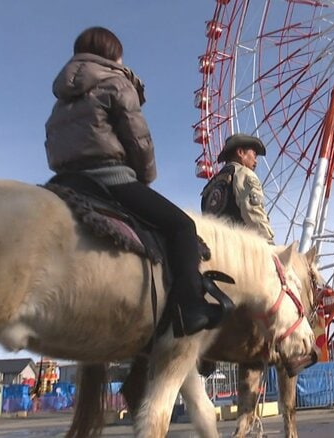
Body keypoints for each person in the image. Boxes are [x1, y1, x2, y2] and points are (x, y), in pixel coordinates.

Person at [44, 26, 223, 337]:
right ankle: (189, 308)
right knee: (183, 227)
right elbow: (139, 140)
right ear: (113, 54)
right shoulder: (116, 82)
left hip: (65, 181)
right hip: (109, 177)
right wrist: (144, 178)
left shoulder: (61, 97)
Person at [201, 134, 275, 243]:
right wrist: (269, 243)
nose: (256, 161)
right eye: (254, 155)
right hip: (240, 250)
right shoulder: (243, 174)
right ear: (240, 152)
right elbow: (254, 214)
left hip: (214, 249)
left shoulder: (208, 188)